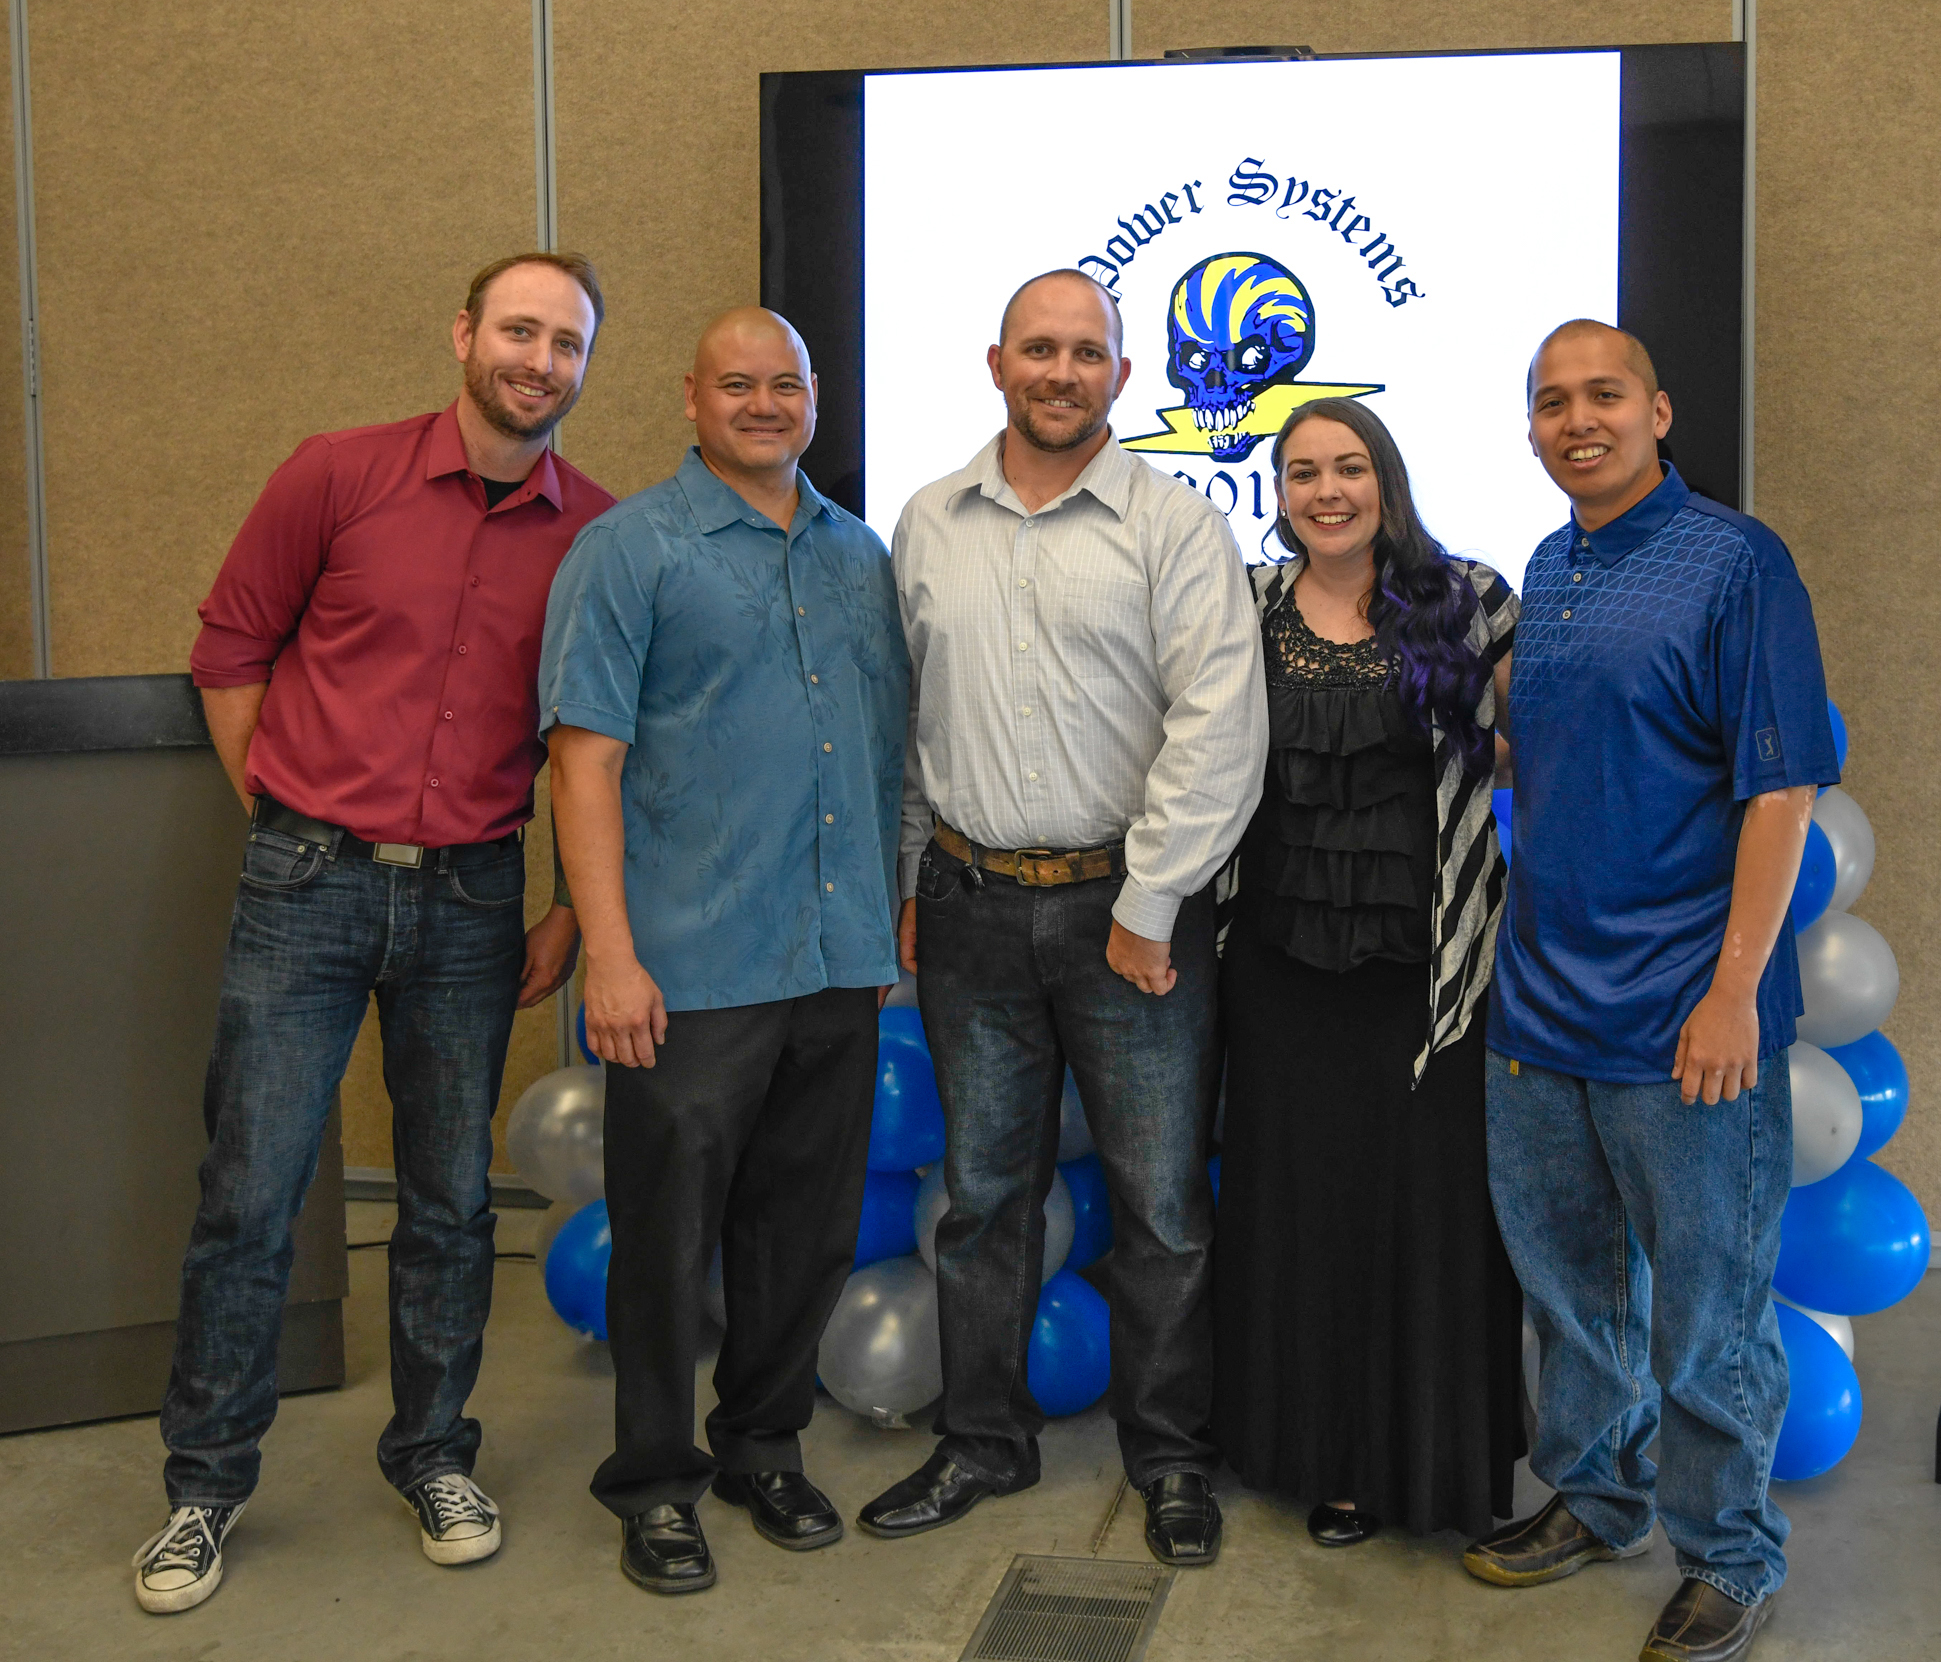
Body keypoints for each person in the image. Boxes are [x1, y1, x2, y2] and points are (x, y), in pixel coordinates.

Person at [137, 253, 613, 1614]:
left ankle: (435, 1453)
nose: (538, 359)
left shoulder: (600, 532)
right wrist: (284, 811)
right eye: (517, 329)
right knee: (253, 1189)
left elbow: (600, 735)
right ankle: (204, 1485)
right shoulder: (334, 474)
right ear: (464, 333)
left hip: (472, 898)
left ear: (583, 367)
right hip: (309, 882)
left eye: (566, 342)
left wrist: (572, 904)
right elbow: (231, 648)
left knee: (451, 1203)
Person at [856, 270, 1267, 1567]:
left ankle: (1167, 1456)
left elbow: (1219, 727)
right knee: (982, 1198)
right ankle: (983, 1437)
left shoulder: (1175, 524)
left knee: (1156, 1206)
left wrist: (1148, 905)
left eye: (1086, 353)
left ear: (1121, 378)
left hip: (1128, 917)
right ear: (995, 364)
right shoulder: (926, 520)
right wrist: (916, 875)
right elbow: (913, 721)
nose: (1060, 371)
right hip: (971, 910)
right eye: (1038, 348)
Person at [1462, 320, 1835, 1662]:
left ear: (1658, 411)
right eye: (1549, 402)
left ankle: (1729, 1555)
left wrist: (1734, 988)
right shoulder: (1550, 567)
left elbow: (1780, 788)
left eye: (1601, 394)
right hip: (1543, 1008)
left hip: (1689, 1021)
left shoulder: (1737, 564)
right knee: (1568, 1296)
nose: (1576, 420)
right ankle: (1597, 1499)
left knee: (1705, 1314)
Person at [540, 307, 908, 1596]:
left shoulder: (859, 556)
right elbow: (583, 761)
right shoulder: (625, 551)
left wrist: (888, 911)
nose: (764, 404)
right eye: (737, 385)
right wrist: (609, 954)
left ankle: (760, 1444)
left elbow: (881, 757)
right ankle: (652, 1483)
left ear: (813, 400)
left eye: (786, 385)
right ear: (690, 399)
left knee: (801, 1237)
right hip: (685, 968)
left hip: (835, 957)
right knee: (663, 1242)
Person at [1211, 398, 1523, 1546]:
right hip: (1281, 968)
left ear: (1384, 480)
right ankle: (1321, 1459)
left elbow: (1538, 743)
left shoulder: (1469, 598)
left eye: (1348, 468)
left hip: (1426, 974)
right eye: (1301, 473)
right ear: (1278, 492)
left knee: (1426, 1215)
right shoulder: (1239, 603)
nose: (1325, 491)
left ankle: (1437, 1465)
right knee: (1300, 1212)